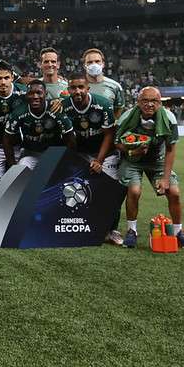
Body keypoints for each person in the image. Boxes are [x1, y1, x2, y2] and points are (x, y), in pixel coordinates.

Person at [115, 87, 184, 249]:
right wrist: (133, 150)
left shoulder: (169, 118)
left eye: (154, 101)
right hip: (133, 159)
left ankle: (178, 233)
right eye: (145, 101)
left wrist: (165, 179)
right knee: (134, 191)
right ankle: (132, 231)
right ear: (138, 102)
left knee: (174, 192)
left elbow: (171, 149)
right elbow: (116, 143)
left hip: (157, 160)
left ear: (160, 102)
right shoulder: (126, 117)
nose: (150, 104)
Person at [61, 72, 122, 245]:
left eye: (81, 87)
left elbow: (109, 134)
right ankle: (82, 226)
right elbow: (66, 136)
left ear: (88, 88)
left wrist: (99, 161)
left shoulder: (102, 105)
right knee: (75, 189)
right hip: (81, 153)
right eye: (73, 87)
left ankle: (112, 230)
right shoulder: (64, 107)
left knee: (111, 189)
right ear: (68, 89)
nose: (77, 91)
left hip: (105, 153)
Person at [3, 80, 76, 170]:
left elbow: (70, 139)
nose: (35, 97)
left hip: (53, 153)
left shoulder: (56, 109)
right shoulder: (18, 113)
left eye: (39, 93)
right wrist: (12, 166)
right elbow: (7, 140)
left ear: (46, 94)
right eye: (31, 93)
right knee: (21, 169)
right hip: (30, 154)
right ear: (26, 95)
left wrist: (65, 160)